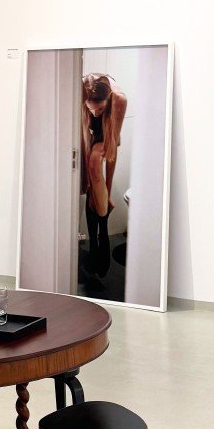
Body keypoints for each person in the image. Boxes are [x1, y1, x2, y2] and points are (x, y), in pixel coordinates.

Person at [80, 74, 127, 279]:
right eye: (91, 109)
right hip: (90, 135)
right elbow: (84, 137)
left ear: (107, 100)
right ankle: (95, 242)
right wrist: (88, 184)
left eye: (99, 109)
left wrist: (107, 191)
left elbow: (111, 151)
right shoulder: (80, 93)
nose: (95, 113)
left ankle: (103, 231)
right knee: (91, 180)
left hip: (108, 133)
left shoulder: (118, 100)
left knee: (95, 163)